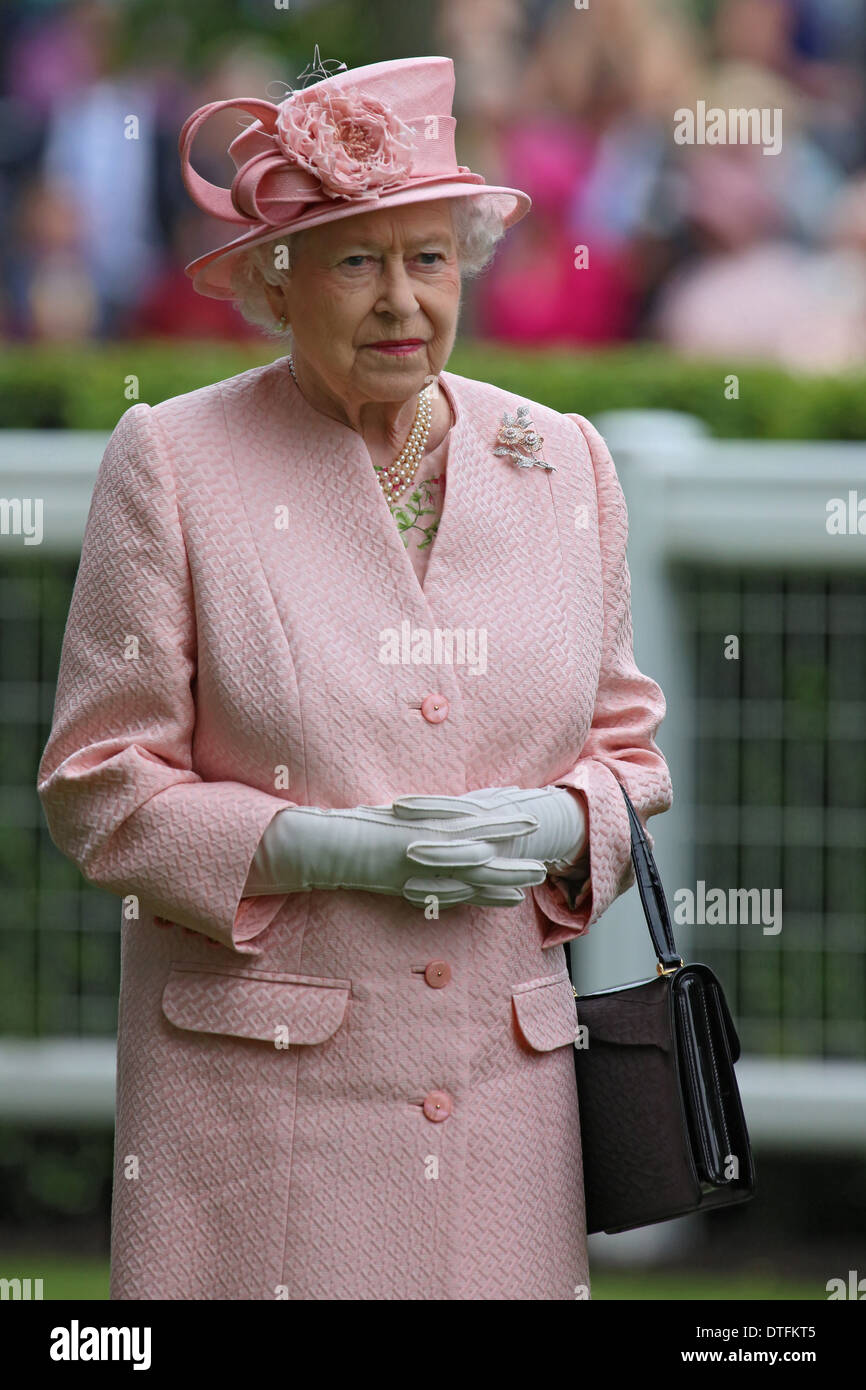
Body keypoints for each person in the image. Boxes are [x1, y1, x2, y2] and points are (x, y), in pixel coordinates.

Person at [36, 52, 673, 1301]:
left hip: (504, 1108)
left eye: (428, 259)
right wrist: (337, 851)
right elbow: (97, 786)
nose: (400, 302)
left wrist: (561, 821)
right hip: (261, 1121)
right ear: (276, 282)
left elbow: (629, 756)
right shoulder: (174, 461)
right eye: (355, 260)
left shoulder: (562, 461)